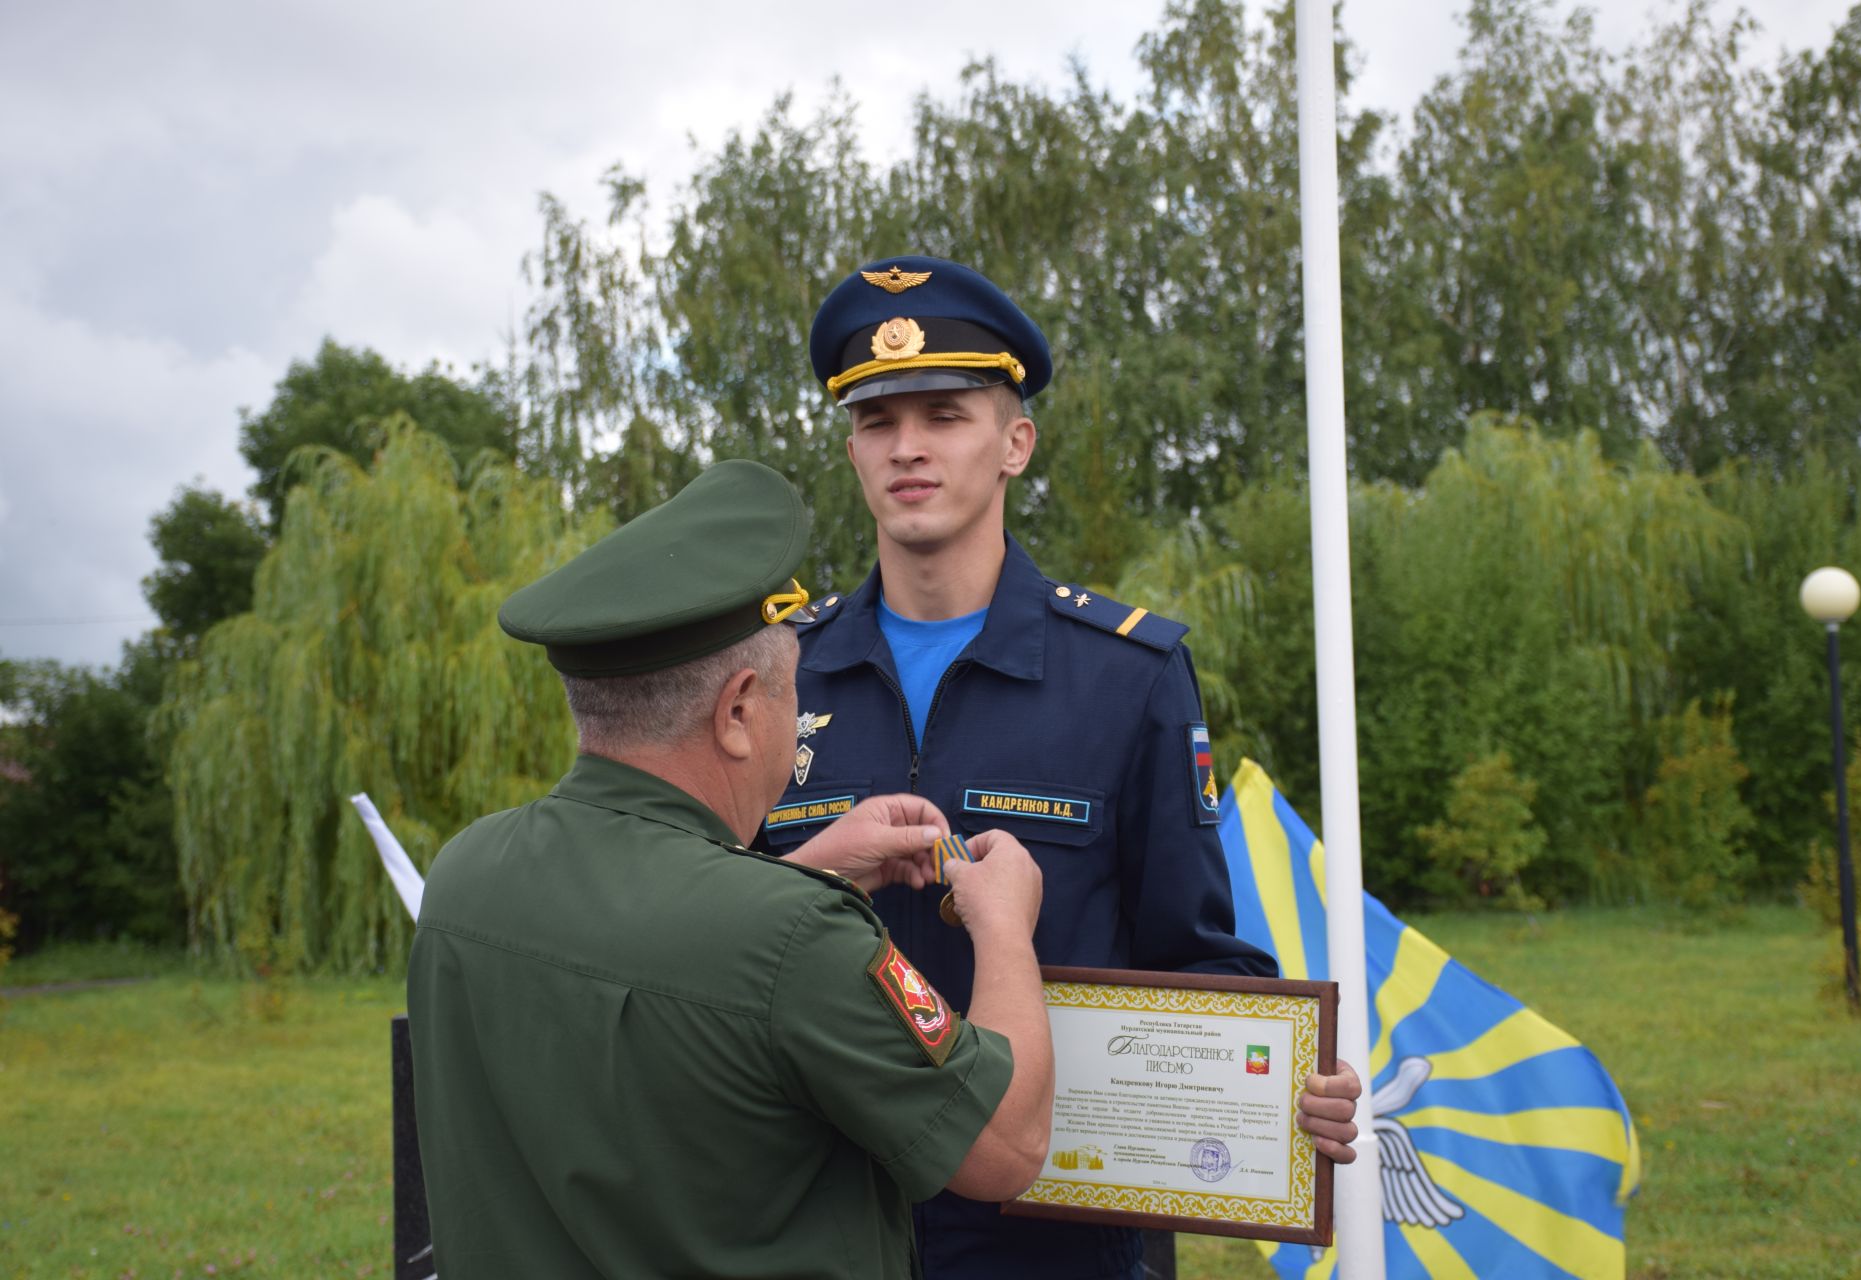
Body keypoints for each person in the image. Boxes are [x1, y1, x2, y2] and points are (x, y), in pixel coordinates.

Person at [759, 256, 1362, 1279]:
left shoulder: (1126, 675)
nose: (906, 446)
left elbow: (1192, 949)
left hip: (1057, 1243)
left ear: (1015, 443)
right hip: (815, 1225)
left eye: (945, 413)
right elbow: (701, 933)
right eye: (875, 421)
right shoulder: (774, 672)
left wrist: (1279, 1082)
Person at [408, 458, 1056, 1279]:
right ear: (741, 710)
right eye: (795, 699)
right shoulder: (794, 939)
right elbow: (1002, 1145)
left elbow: (669, 947)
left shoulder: (466, 874)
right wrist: (1004, 923)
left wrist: (804, 873)